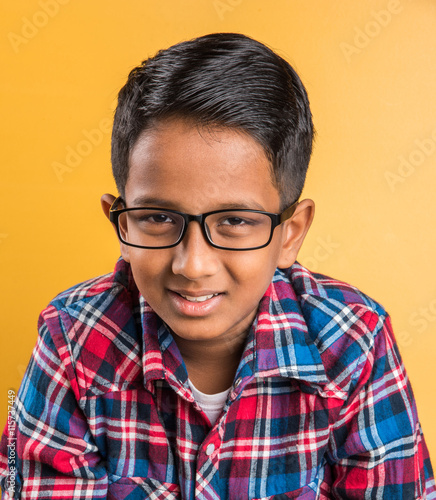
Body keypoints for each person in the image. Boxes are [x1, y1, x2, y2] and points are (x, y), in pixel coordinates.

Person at [0, 32, 434, 500]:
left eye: (234, 221)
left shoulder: (355, 344)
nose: (193, 264)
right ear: (118, 222)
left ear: (290, 233)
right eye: (157, 218)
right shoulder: (72, 341)